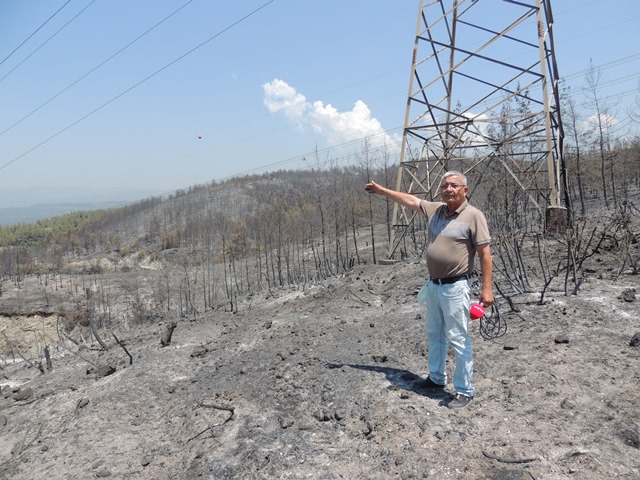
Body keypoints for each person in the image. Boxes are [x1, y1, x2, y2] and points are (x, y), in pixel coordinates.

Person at [364, 171, 494, 409]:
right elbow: (411, 200)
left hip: (456, 287)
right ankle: (436, 378)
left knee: (458, 339)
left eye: (454, 185)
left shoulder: (474, 216)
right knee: (435, 333)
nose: (448, 189)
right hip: (434, 285)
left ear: (465, 190)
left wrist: (487, 290)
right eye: (444, 185)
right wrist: (383, 192)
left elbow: (485, 253)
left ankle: (464, 390)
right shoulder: (436, 209)